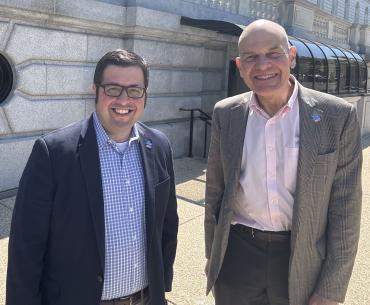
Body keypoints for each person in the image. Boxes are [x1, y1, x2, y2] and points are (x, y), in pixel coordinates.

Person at [204, 19, 362, 305]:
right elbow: (214, 194)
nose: (263, 65)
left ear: (291, 56)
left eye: (273, 53)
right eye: (251, 57)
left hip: (301, 259)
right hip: (237, 256)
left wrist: (330, 288)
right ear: (240, 66)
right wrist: (211, 257)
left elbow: (346, 210)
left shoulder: (337, 116)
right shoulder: (225, 114)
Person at [7, 49, 178, 305]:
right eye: (112, 89)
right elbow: (26, 248)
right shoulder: (53, 153)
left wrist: (161, 284)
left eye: (134, 90)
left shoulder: (159, 145)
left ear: (145, 95)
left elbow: (167, 224)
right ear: (95, 90)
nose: (124, 99)